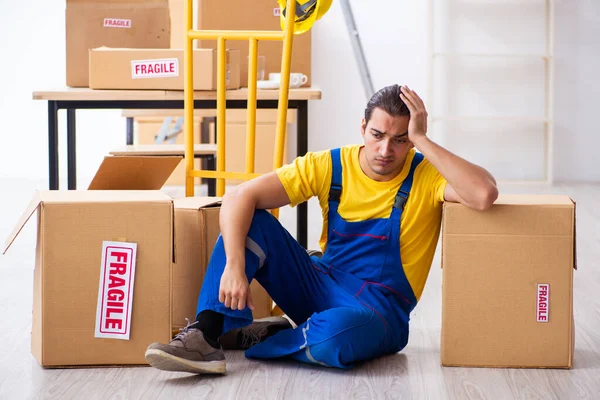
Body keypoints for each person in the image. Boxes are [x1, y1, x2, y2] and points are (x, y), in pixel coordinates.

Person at [144, 84, 498, 374]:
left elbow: (483, 194)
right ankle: (205, 336)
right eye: (377, 135)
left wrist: (423, 141)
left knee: (336, 340)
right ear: (362, 128)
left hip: (379, 311)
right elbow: (239, 196)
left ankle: (274, 334)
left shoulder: (426, 175)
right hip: (319, 283)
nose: (385, 149)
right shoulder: (331, 165)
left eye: (401, 139)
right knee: (253, 219)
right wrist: (235, 266)